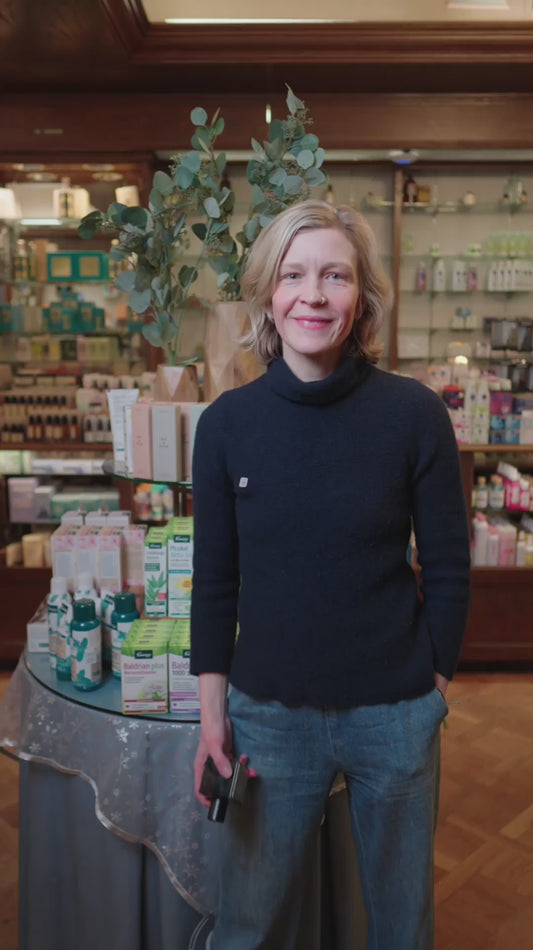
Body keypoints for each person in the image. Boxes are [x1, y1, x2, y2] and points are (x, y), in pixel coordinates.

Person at [190, 199, 471, 949]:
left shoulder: (414, 415)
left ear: (362, 297)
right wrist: (213, 717)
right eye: (294, 275)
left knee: (401, 927)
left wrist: (433, 690)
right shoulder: (226, 426)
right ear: (267, 294)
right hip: (267, 719)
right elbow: (214, 582)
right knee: (249, 927)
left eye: (335, 276)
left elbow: (447, 564)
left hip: (394, 716)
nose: (313, 295)